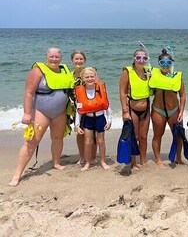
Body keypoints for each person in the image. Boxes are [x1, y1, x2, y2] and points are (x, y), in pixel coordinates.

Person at [9, 47, 74, 186]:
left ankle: (56, 162)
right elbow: (28, 93)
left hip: (60, 112)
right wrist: (27, 113)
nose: (54, 59)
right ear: (46, 57)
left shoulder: (64, 69)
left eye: (57, 57)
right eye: (52, 57)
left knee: (57, 138)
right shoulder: (38, 70)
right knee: (31, 142)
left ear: (61, 58)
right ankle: (17, 175)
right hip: (40, 111)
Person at [149, 47, 186, 166]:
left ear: (171, 64)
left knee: (178, 135)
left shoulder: (177, 76)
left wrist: (181, 112)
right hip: (158, 110)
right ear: (159, 64)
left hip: (174, 110)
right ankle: (158, 159)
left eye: (168, 63)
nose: (165, 65)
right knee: (158, 135)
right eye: (162, 63)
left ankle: (178, 157)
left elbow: (183, 95)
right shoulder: (153, 75)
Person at [119, 48, 152, 169]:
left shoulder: (149, 71)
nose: (141, 60)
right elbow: (122, 92)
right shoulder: (127, 72)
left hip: (146, 109)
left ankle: (143, 160)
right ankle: (133, 162)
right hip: (132, 108)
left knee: (143, 137)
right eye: (138, 58)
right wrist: (124, 110)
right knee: (135, 136)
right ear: (134, 59)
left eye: (144, 58)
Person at [74, 67, 111, 171]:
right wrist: (77, 125)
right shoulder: (80, 91)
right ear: (83, 78)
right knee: (87, 142)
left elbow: (108, 106)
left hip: (100, 118)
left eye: (92, 76)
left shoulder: (100, 89)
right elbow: (78, 110)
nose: (90, 79)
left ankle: (103, 161)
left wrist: (109, 120)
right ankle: (87, 163)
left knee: (101, 141)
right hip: (88, 120)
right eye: (87, 77)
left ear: (95, 77)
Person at [70, 50, 98, 165]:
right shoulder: (70, 75)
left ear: (84, 60)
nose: (79, 61)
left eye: (81, 59)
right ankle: (82, 156)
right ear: (72, 60)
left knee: (93, 134)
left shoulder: (90, 72)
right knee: (79, 133)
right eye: (76, 59)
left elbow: (98, 90)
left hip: (91, 107)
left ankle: (93, 156)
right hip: (77, 107)